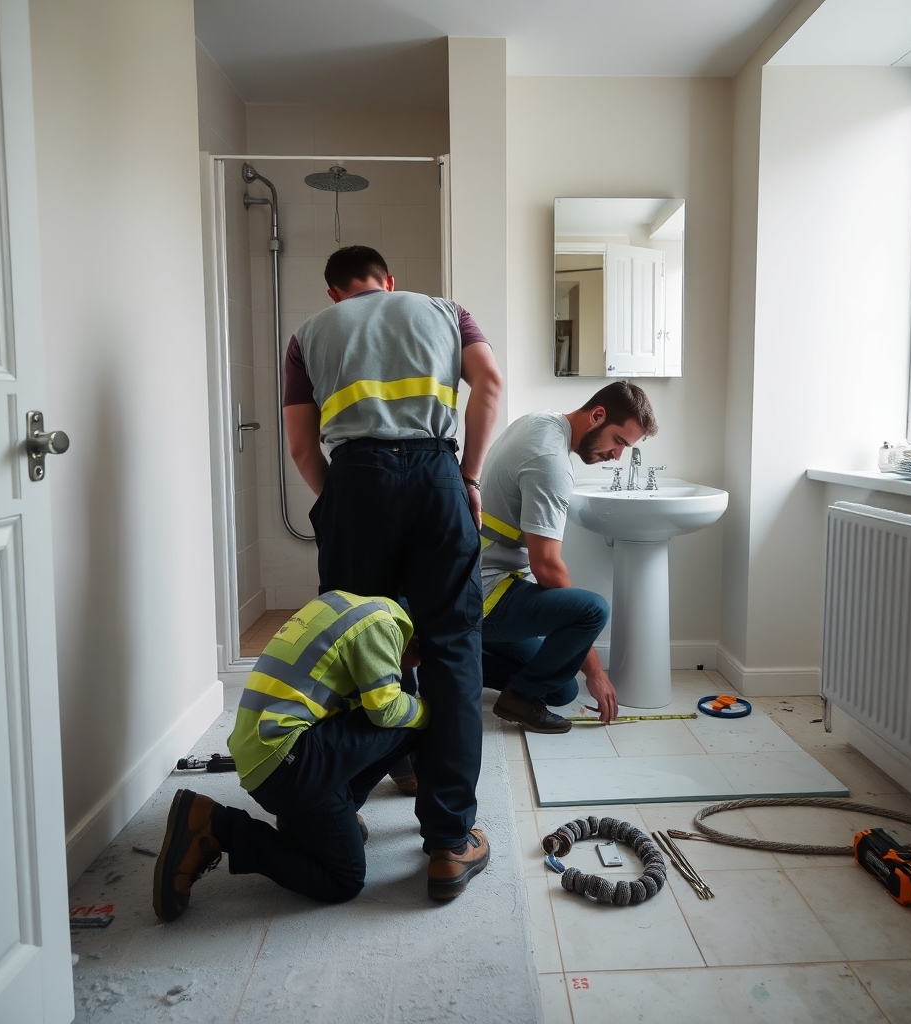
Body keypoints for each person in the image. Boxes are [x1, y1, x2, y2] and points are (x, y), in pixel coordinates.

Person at [282, 246, 502, 898]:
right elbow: (489, 384)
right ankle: (449, 844)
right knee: (453, 652)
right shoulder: (448, 312)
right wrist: (469, 476)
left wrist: (338, 503)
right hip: (437, 475)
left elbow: (301, 445)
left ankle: (338, 804)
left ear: (334, 293)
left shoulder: (308, 336)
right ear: (389, 281)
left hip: (356, 482)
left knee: (357, 650)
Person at [153, 592, 482, 919]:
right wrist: (436, 712)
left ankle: (317, 816)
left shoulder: (343, 604)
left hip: (268, 755)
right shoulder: (381, 627)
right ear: (418, 642)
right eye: (421, 659)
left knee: (387, 718)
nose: (415, 667)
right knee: (343, 881)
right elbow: (386, 709)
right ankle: (216, 825)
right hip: (287, 761)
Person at [480, 381, 658, 732]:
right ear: (597, 415)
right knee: (593, 610)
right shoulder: (550, 462)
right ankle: (518, 698)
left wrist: (586, 666)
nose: (617, 455)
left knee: (562, 689)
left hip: (481, 579)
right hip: (485, 593)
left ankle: (456, 658)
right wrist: (596, 670)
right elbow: (546, 566)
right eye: (619, 441)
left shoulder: (540, 422)